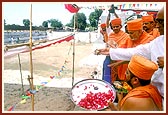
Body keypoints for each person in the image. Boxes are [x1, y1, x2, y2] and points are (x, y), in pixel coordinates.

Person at [97, 7, 164, 106]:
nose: (157, 25)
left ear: (140, 31)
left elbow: (142, 59)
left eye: (160, 22)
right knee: (125, 96)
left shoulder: (149, 39)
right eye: (156, 21)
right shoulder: (158, 41)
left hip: (141, 79)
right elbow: (132, 52)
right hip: (146, 87)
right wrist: (111, 51)